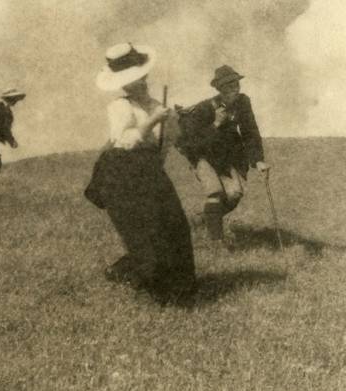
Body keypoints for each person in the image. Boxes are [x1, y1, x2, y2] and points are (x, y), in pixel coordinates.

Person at [85, 42, 195, 294]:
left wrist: (167, 123)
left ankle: (181, 288)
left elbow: (165, 145)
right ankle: (148, 284)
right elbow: (126, 142)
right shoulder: (120, 107)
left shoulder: (157, 106)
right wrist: (154, 121)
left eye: (142, 77)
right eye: (133, 81)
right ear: (124, 85)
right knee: (145, 232)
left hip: (150, 170)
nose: (141, 82)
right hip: (120, 173)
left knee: (175, 225)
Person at [176, 65, 270, 241]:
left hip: (225, 158)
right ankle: (216, 243)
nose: (235, 89)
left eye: (236, 84)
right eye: (229, 86)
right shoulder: (205, 108)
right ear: (220, 89)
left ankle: (203, 219)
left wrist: (258, 160)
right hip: (201, 155)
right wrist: (216, 124)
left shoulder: (243, 103)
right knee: (215, 192)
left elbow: (250, 131)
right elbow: (191, 143)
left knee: (234, 194)